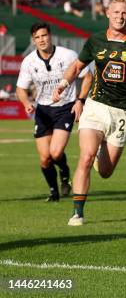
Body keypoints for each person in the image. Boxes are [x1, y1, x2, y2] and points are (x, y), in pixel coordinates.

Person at [52, 0, 126, 226]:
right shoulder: (95, 41)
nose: (120, 16)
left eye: (124, 13)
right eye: (116, 12)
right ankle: (77, 212)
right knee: (86, 156)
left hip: (122, 113)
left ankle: (102, 152)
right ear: (108, 14)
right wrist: (62, 84)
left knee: (105, 171)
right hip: (95, 107)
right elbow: (76, 67)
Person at [16, 23, 91, 202]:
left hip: (65, 107)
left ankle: (64, 173)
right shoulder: (29, 61)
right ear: (33, 40)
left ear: (50, 36)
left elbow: (88, 76)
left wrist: (80, 100)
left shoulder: (68, 55)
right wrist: (26, 102)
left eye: (44, 36)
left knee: (56, 153)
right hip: (42, 110)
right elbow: (20, 88)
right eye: (37, 37)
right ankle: (53, 192)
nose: (42, 40)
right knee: (44, 159)